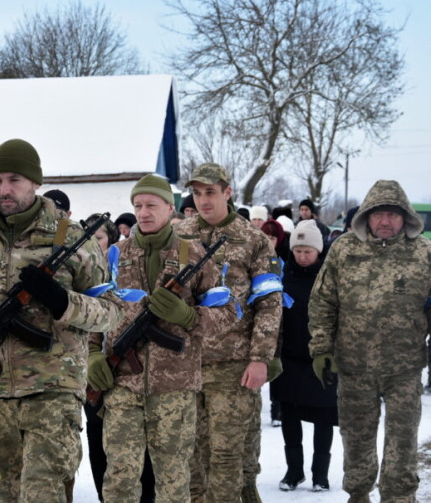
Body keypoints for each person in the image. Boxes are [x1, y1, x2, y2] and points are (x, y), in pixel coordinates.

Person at [0, 138, 123, 503]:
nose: (4, 189)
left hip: (53, 393)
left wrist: (63, 301)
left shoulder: (72, 237)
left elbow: (111, 311)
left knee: (43, 495)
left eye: (14, 179)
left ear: (35, 182)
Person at [90, 174, 234, 502]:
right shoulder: (114, 255)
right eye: (137, 206)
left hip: (175, 388)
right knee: (120, 477)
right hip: (123, 384)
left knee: (172, 479)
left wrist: (188, 316)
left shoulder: (195, 255)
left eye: (151, 205)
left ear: (170, 208)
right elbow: (95, 310)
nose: (143, 212)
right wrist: (91, 355)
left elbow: (227, 314)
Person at [308, 180, 431, 503]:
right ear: (366, 217)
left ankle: (400, 497)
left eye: (393, 214)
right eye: (378, 215)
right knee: (357, 437)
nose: (385, 222)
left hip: (403, 368)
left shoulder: (424, 253)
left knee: (403, 438)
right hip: (354, 367)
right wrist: (321, 348)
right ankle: (359, 494)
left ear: (405, 217)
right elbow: (323, 302)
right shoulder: (345, 249)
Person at [176, 163, 283, 503]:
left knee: (226, 457)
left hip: (232, 365)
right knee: (190, 455)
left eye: (210, 192)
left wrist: (260, 358)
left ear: (227, 192)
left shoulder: (253, 240)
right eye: (197, 193)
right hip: (185, 363)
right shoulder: (180, 235)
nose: (203, 200)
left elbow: (269, 302)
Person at [81, 212, 156, 503]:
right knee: (98, 443)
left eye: (98, 238)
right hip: (90, 375)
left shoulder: (123, 266)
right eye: (87, 239)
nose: (93, 244)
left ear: (111, 240)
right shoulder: (79, 270)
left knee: (136, 452)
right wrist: (90, 356)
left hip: (128, 376)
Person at [270, 219, 337, 492]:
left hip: (320, 359)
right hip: (289, 360)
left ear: (318, 251)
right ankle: (294, 471)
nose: (302, 255)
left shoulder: (330, 280)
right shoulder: (282, 280)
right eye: (298, 250)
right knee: (289, 417)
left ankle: (320, 474)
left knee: (324, 417)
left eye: (308, 251)